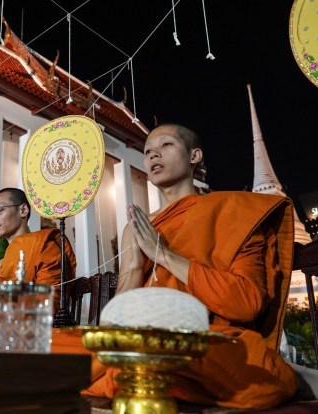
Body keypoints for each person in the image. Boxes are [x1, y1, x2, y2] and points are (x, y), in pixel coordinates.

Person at [54, 123, 303, 410]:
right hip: (140, 341)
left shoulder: (233, 212)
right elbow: (116, 324)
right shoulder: (136, 229)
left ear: (194, 156)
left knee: (188, 357)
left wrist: (165, 255)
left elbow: (246, 304)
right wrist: (135, 265)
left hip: (204, 341)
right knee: (42, 347)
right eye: (147, 151)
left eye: (166, 146)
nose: (153, 155)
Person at [0, 187, 77, 350]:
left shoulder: (44, 246)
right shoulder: (0, 264)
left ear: (23, 210)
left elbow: (48, 305)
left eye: (0, 209)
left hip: (29, 337)